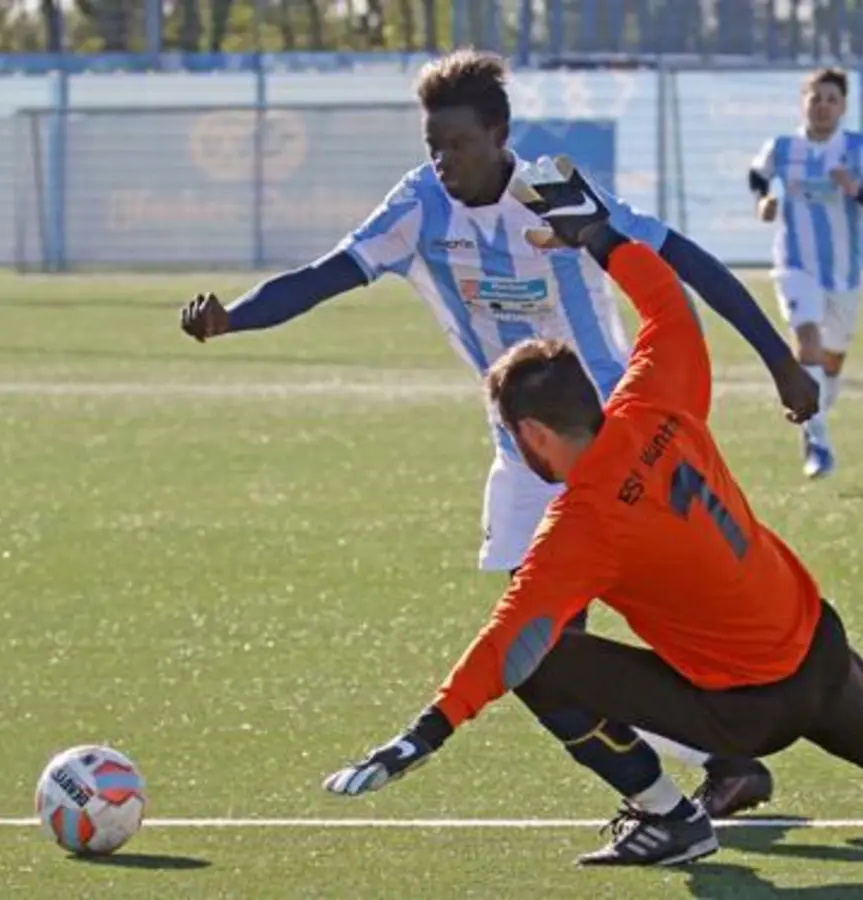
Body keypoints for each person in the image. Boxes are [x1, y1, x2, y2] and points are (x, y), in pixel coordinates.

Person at [322, 157, 863, 867]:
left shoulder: (579, 527)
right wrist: (598, 236)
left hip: (744, 715)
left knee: (546, 665)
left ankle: (670, 818)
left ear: (531, 434)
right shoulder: (655, 396)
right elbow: (666, 302)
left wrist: (422, 734)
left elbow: (506, 643)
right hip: (817, 643)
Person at [179, 50, 812, 816]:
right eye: (433, 146)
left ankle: (692, 780)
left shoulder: (553, 192)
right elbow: (323, 276)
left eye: (459, 144)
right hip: (525, 454)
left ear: (500, 136)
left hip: (614, 440)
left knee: (568, 643)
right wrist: (234, 318)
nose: (444, 161)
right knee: (545, 648)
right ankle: (715, 768)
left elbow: (684, 262)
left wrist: (781, 360)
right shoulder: (418, 206)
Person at [749, 67, 863, 479]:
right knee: (807, 340)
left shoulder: (857, 150)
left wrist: (857, 190)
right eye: (815, 98)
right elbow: (758, 175)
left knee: (830, 362)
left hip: (844, 274)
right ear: (803, 102)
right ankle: (819, 444)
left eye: (831, 99)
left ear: (843, 106)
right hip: (795, 265)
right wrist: (763, 200)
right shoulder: (783, 148)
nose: (823, 106)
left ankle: (817, 411)